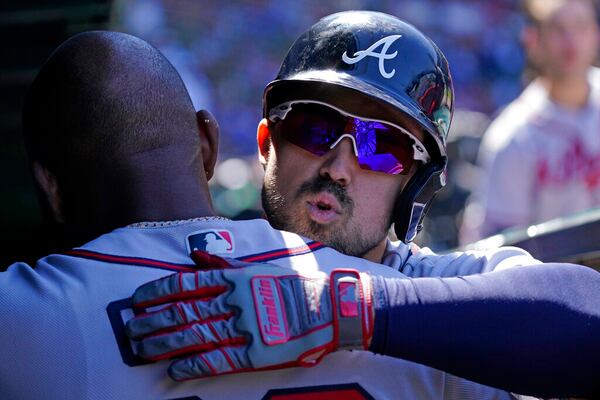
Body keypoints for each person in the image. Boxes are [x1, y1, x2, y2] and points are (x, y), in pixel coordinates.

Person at [126, 11, 600, 399]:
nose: (338, 166)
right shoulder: (194, 281)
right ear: (268, 143)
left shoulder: (438, 290)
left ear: (415, 184)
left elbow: (587, 319)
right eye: (314, 126)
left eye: (382, 145)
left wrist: (347, 307)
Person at [462, 0, 600, 241]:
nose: (571, 41)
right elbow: (506, 250)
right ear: (533, 40)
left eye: (581, 26)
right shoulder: (514, 135)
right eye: (557, 29)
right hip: (552, 274)